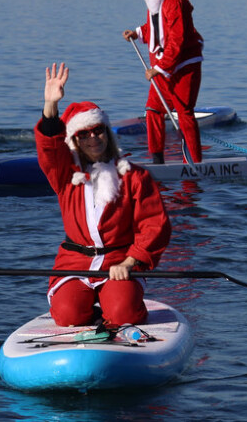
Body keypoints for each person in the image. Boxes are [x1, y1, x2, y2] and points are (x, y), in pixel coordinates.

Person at [35, 62, 172, 327]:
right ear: (74, 140)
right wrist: (50, 105)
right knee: (67, 317)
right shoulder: (64, 173)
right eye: (84, 134)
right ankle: (93, 310)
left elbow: (155, 226)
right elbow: (49, 146)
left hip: (118, 262)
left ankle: (120, 304)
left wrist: (130, 263)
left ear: (107, 133)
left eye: (98, 130)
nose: (93, 138)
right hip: (74, 263)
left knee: (124, 315)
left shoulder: (134, 175)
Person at [123, 0, 205, 164]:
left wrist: (158, 69)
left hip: (184, 66)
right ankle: (158, 162)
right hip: (163, 68)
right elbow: (155, 27)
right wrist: (137, 33)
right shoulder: (154, 2)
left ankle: (194, 162)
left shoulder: (174, 1)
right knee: (152, 110)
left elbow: (177, 39)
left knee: (184, 114)